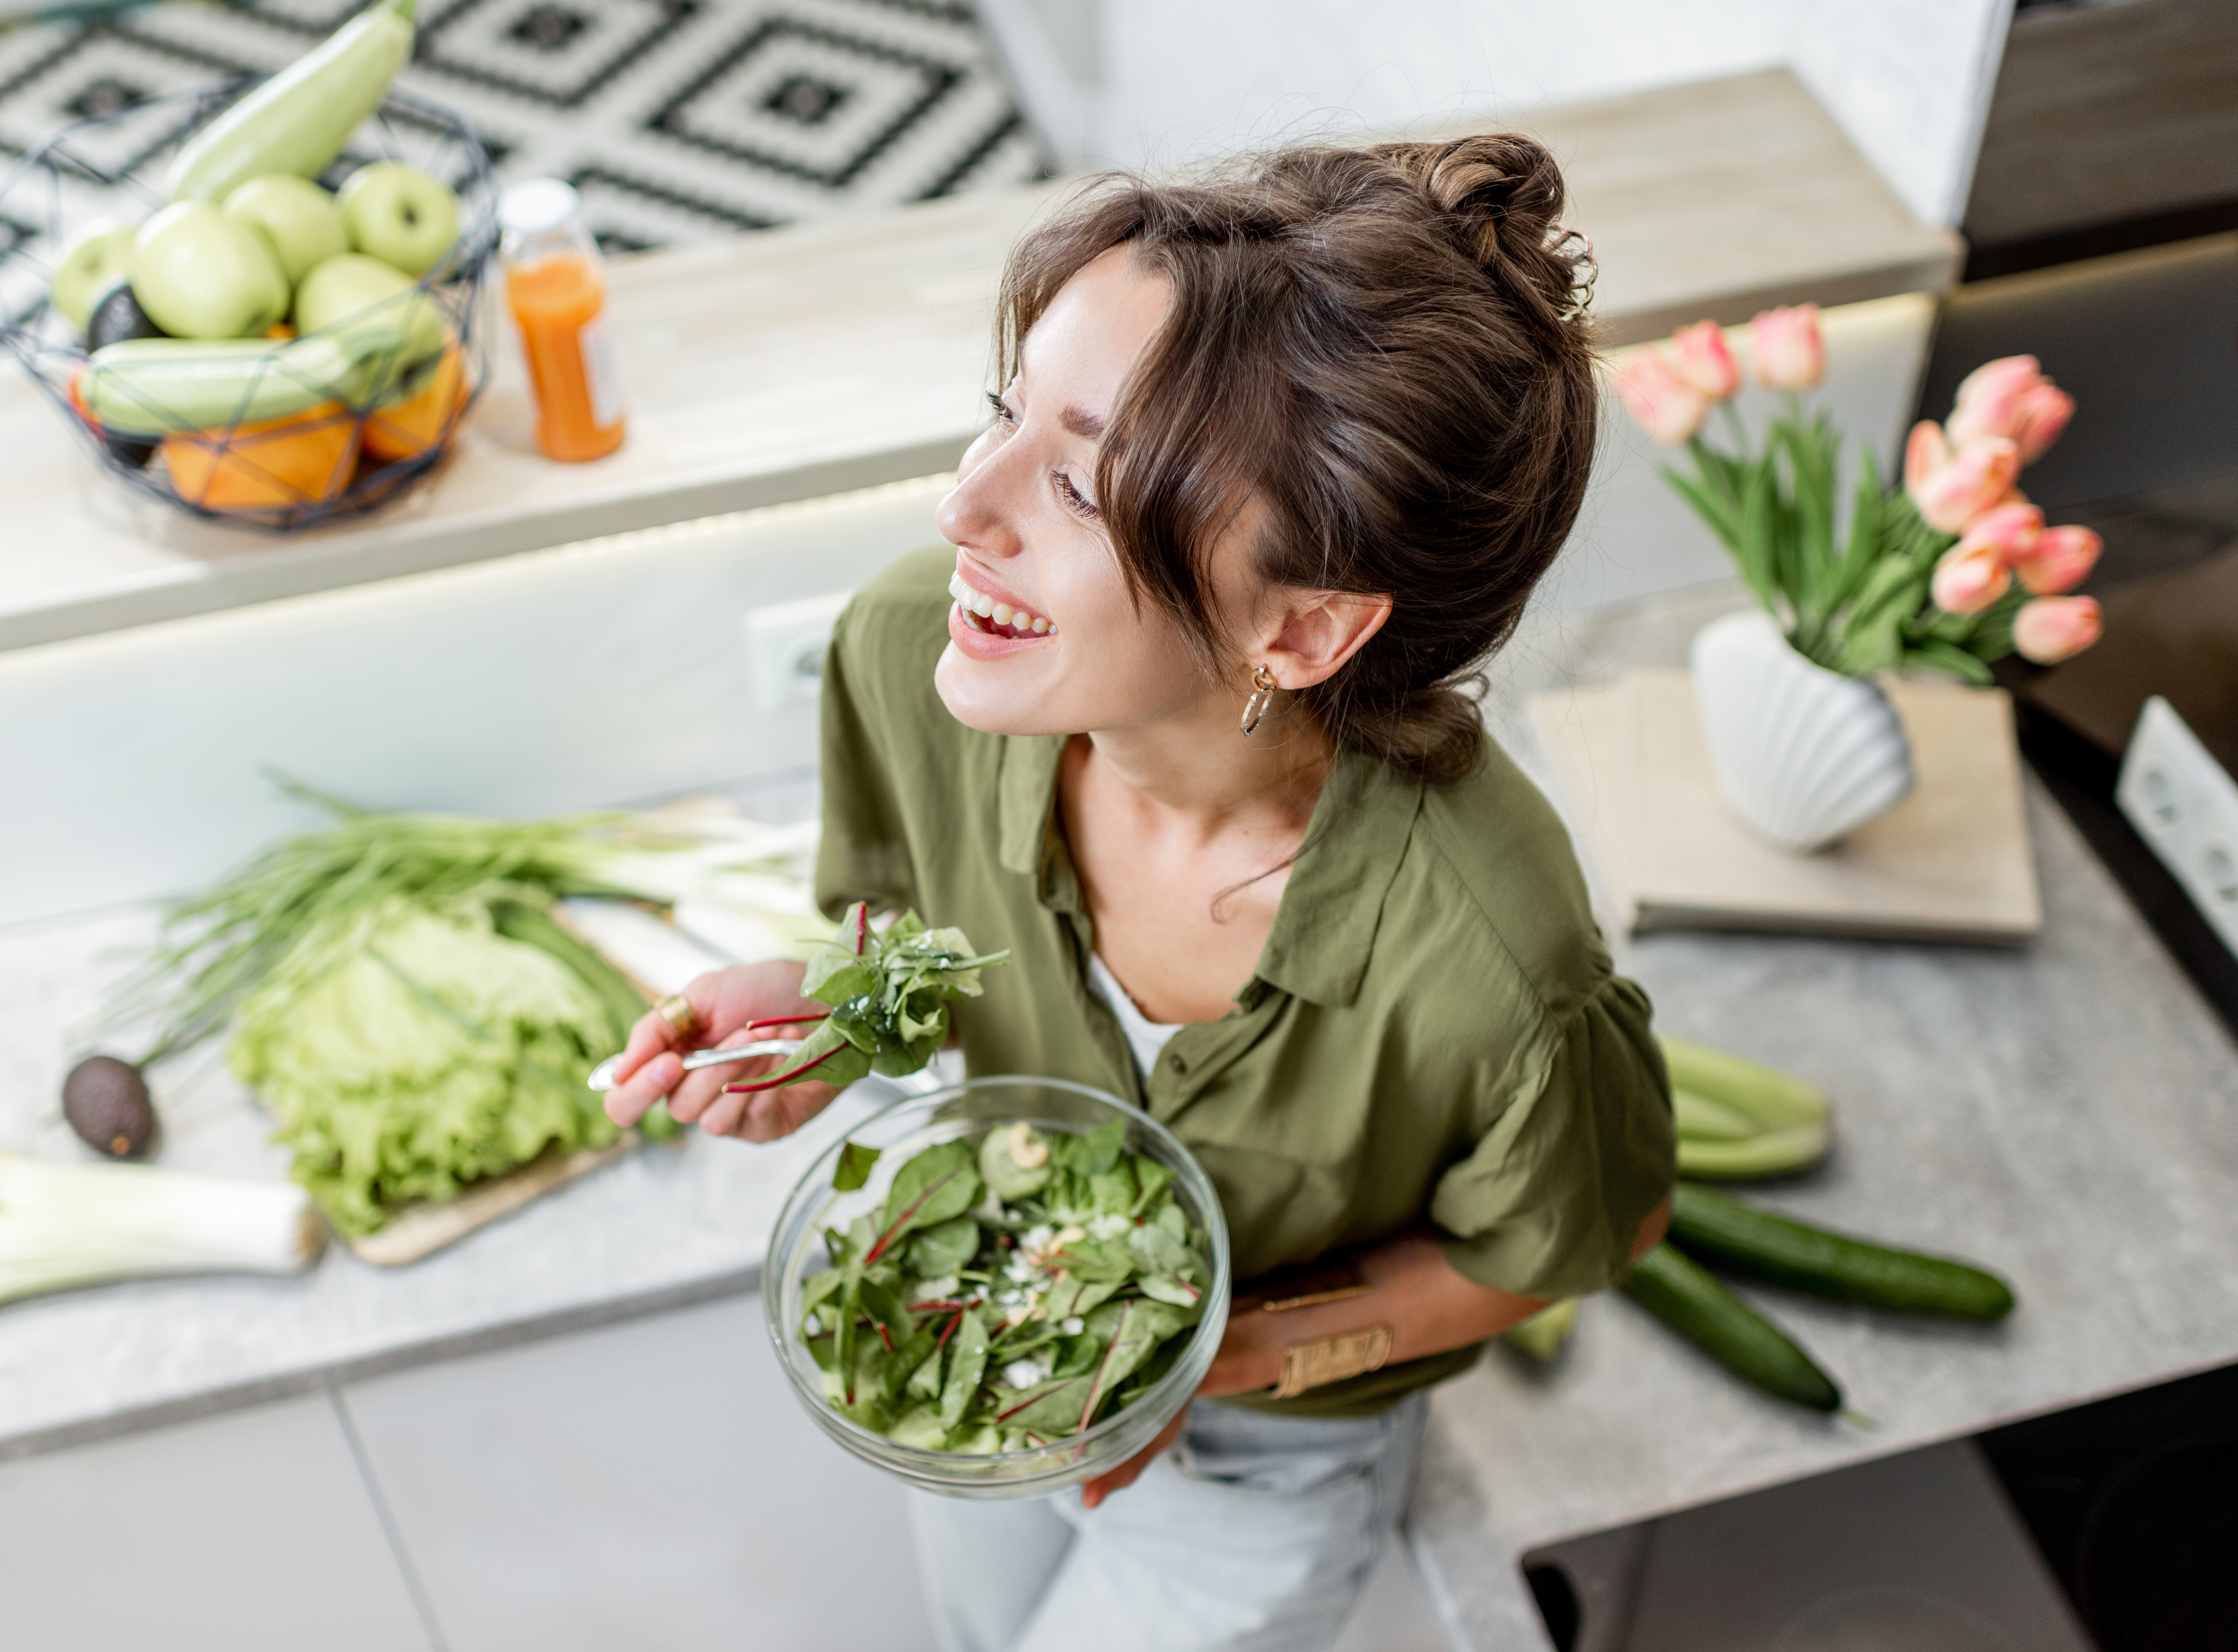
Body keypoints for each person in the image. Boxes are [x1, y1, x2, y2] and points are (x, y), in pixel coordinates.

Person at [603, 131, 1674, 1652]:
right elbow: (909, 926)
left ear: (1300, 631)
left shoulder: (1495, 956)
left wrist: (1196, 1362)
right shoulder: (919, 651)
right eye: (1000, 413)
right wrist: (836, 1016)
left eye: (1081, 486)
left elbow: (1575, 1240)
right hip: (981, 1317)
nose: (964, 509)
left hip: (1267, 1461)